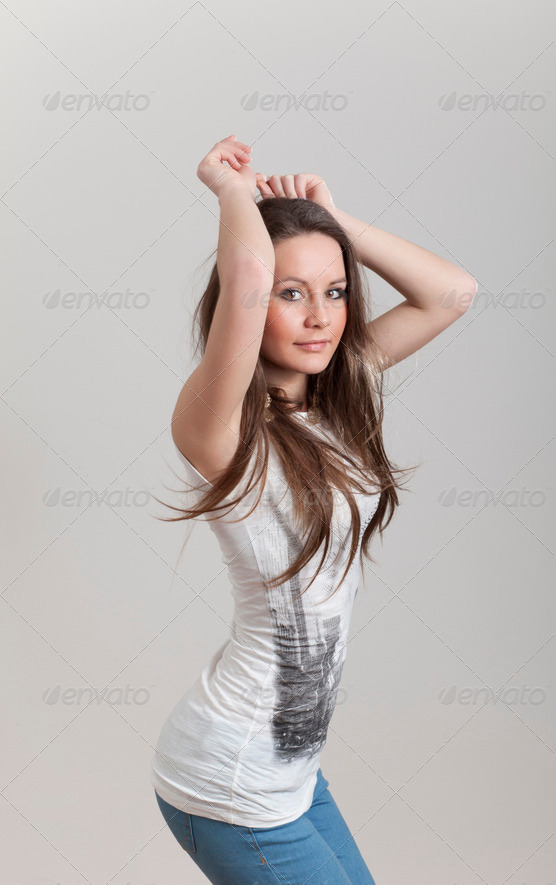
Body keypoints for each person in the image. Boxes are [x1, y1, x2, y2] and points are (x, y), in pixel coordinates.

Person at [150, 134, 477, 883]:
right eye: (291, 294)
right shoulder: (219, 428)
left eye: (335, 291)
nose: (320, 316)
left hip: (292, 774)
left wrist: (334, 221)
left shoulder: (332, 398)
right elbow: (248, 276)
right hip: (231, 781)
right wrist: (231, 189)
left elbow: (452, 292)